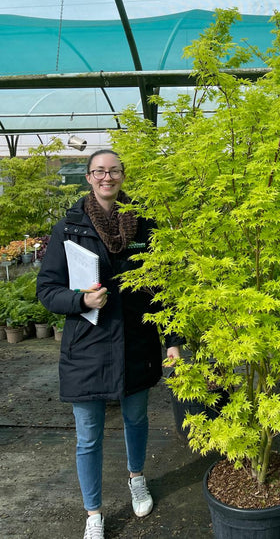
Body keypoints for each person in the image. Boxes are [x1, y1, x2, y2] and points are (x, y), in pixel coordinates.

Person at [37, 149, 182, 539]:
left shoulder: (143, 225)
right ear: (88, 177)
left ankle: (137, 477)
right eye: (99, 171)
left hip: (136, 341)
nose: (107, 177)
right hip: (88, 345)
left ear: (122, 176)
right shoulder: (69, 226)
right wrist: (80, 300)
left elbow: (161, 287)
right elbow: (47, 290)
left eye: (114, 171)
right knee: (89, 436)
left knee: (136, 418)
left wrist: (172, 339)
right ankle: (94, 513)